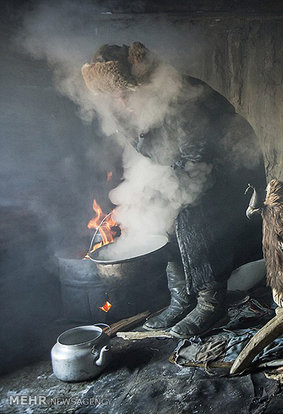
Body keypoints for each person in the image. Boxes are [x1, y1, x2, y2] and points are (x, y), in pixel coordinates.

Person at [81, 42, 265, 338]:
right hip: (180, 167)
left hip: (228, 166)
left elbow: (199, 159)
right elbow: (145, 153)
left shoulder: (182, 98)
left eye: (126, 93)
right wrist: (144, 192)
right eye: (114, 97)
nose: (121, 102)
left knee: (194, 217)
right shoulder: (121, 106)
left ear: (142, 82)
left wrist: (169, 196)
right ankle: (181, 297)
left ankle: (211, 302)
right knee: (157, 216)